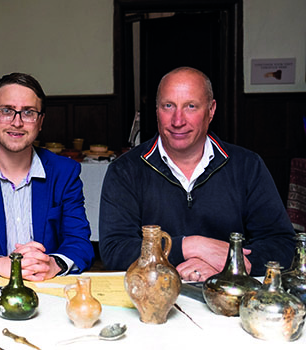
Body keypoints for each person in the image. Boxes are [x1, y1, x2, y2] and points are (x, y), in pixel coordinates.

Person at [99, 67, 295, 279]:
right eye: (168, 106)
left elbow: (281, 244)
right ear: (156, 110)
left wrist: (228, 266)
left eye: (191, 106)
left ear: (211, 110)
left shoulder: (247, 166)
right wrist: (189, 246)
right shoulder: (124, 170)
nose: (178, 120)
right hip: (152, 298)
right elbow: (115, 250)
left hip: (233, 297)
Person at [0, 72, 94, 281]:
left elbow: (80, 243)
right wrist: (0, 264)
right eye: (6, 111)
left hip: (47, 286)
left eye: (28, 112)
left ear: (40, 122)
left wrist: (53, 264)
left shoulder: (64, 173)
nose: (17, 122)